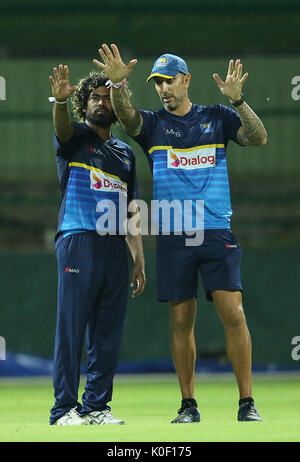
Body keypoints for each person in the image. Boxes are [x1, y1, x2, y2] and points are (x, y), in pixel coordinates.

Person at [93, 44, 267, 423]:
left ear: (186, 80)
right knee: (180, 320)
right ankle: (189, 405)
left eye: (169, 81)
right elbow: (127, 118)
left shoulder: (218, 117)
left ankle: (247, 403)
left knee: (234, 313)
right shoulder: (153, 126)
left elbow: (258, 138)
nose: (163, 89)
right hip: (173, 234)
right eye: (157, 83)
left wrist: (239, 102)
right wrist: (119, 86)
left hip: (216, 230)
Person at [48, 64, 146, 426]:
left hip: (114, 249)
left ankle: (96, 407)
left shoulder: (125, 154)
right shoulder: (73, 138)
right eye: (94, 97)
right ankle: (63, 410)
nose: (102, 102)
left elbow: (132, 207)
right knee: (72, 327)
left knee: (107, 332)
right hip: (78, 239)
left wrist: (138, 257)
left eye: (107, 97)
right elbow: (60, 126)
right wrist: (59, 102)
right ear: (82, 105)